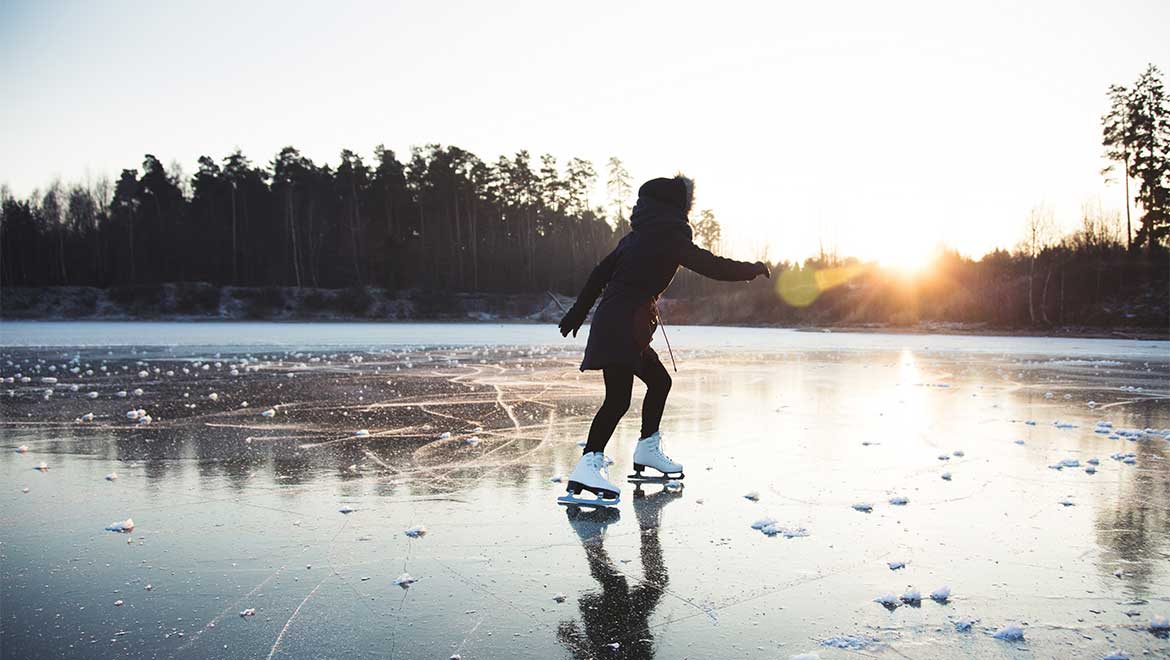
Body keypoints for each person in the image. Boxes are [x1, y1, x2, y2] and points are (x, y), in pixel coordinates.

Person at [557, 175, 769, 506]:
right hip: (623, 324)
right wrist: (751, 269)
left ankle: (646, 449)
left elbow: (600, 273)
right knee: (618, 400)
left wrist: (577, 313)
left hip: (620, 321)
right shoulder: (670, 236)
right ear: (677, 207)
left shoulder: (635, 238)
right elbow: (710, 265)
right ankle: (588, 464)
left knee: (659, 381)